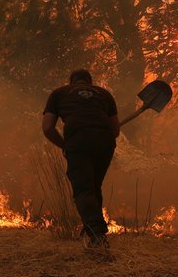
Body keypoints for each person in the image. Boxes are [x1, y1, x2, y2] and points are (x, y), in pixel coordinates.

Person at [42, 69, 120, 248]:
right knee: (93, 186)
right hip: (105, 142)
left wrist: (64, 145)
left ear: (71, 82)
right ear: (89, 82)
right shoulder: (104, 94)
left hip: (78, 141)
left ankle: (96, 234)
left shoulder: (59, 93)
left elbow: (47, 128)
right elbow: (115, 130)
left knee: (83, 189)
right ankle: (91, 228)